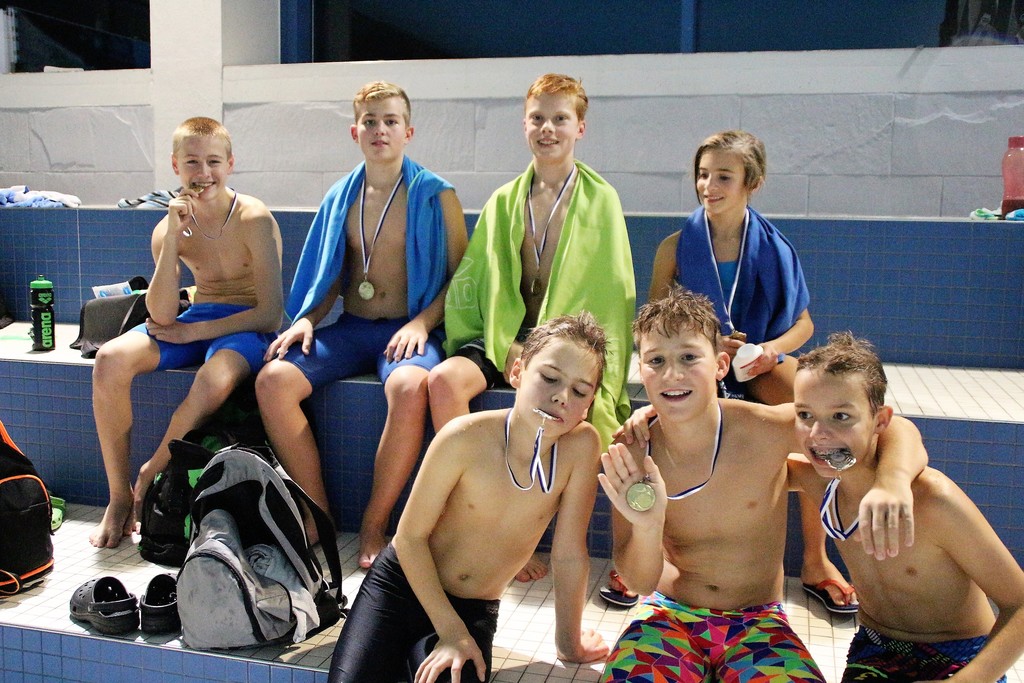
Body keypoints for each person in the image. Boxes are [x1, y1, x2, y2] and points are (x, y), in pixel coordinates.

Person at [598, 288, 925, 682]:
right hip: (668, 613)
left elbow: (893, 428)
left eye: (689, 357)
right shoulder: (633, 452)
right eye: (656, 361)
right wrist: (648, 528)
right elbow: (638, 582)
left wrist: (892, 482)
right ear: (642, 370)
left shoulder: (763, 429)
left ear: (721, 365)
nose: (672, 374)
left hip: (757, 621)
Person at [329, 313, 612, 683]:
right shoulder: (463, 438)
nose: (561, 397)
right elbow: (410, 538)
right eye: (550, 378)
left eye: (579, 391)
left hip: (473, 608)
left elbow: (569, 552)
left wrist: (569, 644)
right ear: (517, 372)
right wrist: (451, 632)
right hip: (399, 589)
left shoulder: (580, 448)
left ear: (589, 403)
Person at [431, 73, 635, 581]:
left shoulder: (602, 201)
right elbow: (481, 282)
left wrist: (582, 369)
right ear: (524, 124)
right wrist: (506, 345)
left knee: (592, 427)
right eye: (538, 118)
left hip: (560, 352)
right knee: (443, 381)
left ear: (580, 127)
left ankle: (533, 538)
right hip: (504, 340)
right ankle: (472, 518)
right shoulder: (504, 201)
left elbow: (612, 296)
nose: (548, 128)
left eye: (560, 118)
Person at [255, 81, 467, 566]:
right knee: (272, 381)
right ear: (355, 132)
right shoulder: (342, 197)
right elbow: (332, 273)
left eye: (391, 121)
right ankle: (318, 514)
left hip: (411, 328)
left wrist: (421, 323)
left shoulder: (437, 195)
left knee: (410, 388)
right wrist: (307, 319)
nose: (380, 130)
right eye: (370, 121)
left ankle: (375, 523)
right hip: (353, 327)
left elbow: (461, 278)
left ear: (408, 131)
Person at [644, 130, 847, 613]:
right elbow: (651, 324)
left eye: (723, 177)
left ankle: (816, 560)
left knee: (815, 416)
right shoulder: (675, 247)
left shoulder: (776, 249)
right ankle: (649, 555)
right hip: (699, 366)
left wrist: (770, 351)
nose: (708, 186)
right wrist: (706, 344)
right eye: (703, 175)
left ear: (751, 183)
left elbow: (805, 324)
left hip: (755, 364)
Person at [90, 116, 283, 548]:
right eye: (192, 162)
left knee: (212, 379)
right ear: (176, 167)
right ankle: (118, 496)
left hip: (246, 324)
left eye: (213, 161)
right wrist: (174, 239)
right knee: (109, 360)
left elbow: (271, 314)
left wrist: (195, 334)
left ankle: (152, 469)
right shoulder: (168, 228)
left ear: (230, 163)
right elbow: (161, 314)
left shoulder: (253, 218)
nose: (204, 173)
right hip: (199, 316)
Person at [788, 332, 1024, 682]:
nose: (819, 433)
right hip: (876, 651)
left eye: (841, 416)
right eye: (806, 414)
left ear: (880, 421)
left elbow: (1019, 603)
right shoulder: (817, 481)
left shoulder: (932, 500)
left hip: (959, 656)